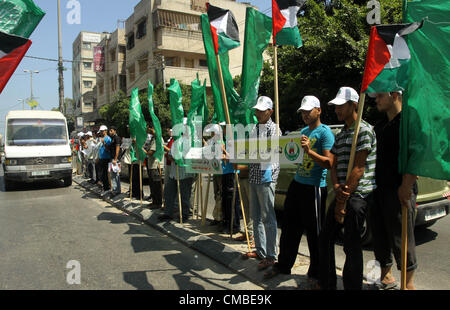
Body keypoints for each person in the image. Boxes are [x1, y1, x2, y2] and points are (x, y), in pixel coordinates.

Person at [264, 96, 335, 285]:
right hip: (297, 184)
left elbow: (329, 162)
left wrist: (309, 151)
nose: (304, 114)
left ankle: (316, 274)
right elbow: (292, 155)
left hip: (314, 188)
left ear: (318, 110)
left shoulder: (325, 133)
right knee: (289, 227)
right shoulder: (302, 131)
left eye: (308, 111)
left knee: (314, 233)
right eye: (302, 111)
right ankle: (283, 265)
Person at [318, 87, 377, 290]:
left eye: (341, 106)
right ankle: (327, 283)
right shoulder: (341, 134)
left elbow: (359, 168)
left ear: (354, 105)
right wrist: (335, 187)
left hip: (358, 194)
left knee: (351, 244)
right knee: (325, 237)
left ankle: (353, 287)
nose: (337, 111)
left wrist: (343, 199)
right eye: (335, 107)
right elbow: (333, 164)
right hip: (342, 191)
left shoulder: (365, 130)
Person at [370, 91, 418, 290]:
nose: (377, 100)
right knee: (379, 235)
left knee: (402, 238)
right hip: (378, 188)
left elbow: (416, 154)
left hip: (399, 188)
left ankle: (408, 284)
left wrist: (406, 185)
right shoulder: (379, 126)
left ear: (395, 95)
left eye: (380, 96)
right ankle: (386, 277)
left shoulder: (407, 123)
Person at [242, 96, 280, 272]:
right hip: (254, 176)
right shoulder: (254, 128)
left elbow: (268, 153)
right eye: (256, 110)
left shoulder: (274, 129)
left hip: (267, 177)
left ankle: (271, 256)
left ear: (270, 112)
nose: (257, 113)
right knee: (255, 217)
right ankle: (260, 250)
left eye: (261, 110)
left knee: (267, 217)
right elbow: (250, 152)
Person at [158, 131, 194, 223]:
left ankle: (184, 215)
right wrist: (174, 157)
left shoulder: (191, 143)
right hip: (174, 172)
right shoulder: (175, 142)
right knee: (168, 193)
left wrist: (178, 158)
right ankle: (168, 213)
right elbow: (169, 155)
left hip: (185, 173)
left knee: (184, 195)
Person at [144, 125, 165, 209]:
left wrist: (143, 150)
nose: (147, 130)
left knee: (157, 185)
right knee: (152, 184)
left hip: (156, 165)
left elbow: (151, 152)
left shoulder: (158, 138)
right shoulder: (153, 138)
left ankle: (158, 202)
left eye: (148, 128)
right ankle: (154, 201)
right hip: (151, 164)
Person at [98, 125, 112, 194]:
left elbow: (108, 149)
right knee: (102, 174)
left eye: (102, 131)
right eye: (100, 131)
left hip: (106, 158)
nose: (101, 132)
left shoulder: (108, 139)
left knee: (106, 174)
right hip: (101, 158)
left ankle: (107, 188)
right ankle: (104, 187)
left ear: (106, 131)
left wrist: (104, 142)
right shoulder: (101, 138)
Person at [109, 126, 122, 197]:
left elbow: (117, 149)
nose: (110, 132)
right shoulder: (112, 138)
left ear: (115, 131)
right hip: (112, 158)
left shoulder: (117, 138)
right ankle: (115, 189)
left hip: (115, 159)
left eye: (111, 130)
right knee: (113, 175)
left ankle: (116, 190)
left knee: (115, 175)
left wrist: (115, 159)